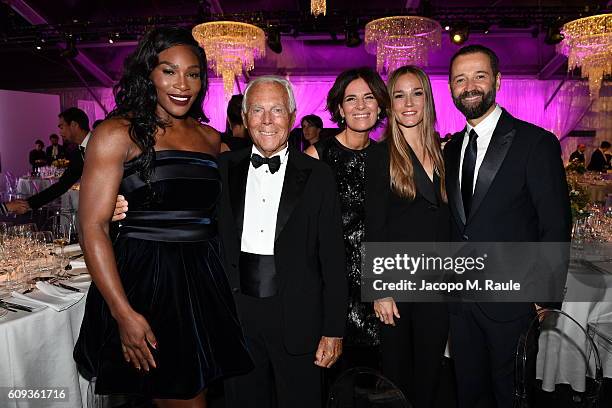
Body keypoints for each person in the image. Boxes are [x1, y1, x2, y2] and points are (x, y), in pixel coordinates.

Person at [73, 27, 253, 407]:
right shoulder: (116, 133)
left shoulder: (209, 138)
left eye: (193, 73)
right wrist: (123, 313)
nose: (182, 84)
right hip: (147, 283)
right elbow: (92, 226)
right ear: (148, 74)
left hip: (204, 282)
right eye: (169, 71)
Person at [443, 44, 571, 408]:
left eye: (479, 76)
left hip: (514, 303)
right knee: (468, 393)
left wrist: (545, 297)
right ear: (451, 88)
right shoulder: (451, 150)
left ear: (497, 81)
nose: (469, 86)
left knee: (512, 396)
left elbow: (556, 224)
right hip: (461, 304)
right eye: (460, 79)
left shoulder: (536, 142)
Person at [219, 76, 347, 408]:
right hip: (238, 316)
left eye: (277, 110)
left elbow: (333, 257)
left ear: (291, 116)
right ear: (245, 118)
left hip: (299, 316)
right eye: (257, 110)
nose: (267, 120)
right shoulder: (222, 169)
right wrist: (123, 207)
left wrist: (334, 330)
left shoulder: (318, 175)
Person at [365, 65, 451, 408]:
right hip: (396, 282)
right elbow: (375, 225)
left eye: (416, 93)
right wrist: (380, 288)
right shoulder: (379, 155)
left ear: (427, 99)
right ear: (390, 105)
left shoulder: (448, 154)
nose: (408, 102)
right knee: (396, 376)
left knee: (431, 372)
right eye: (399, 95)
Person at [305, 67, 388, 371]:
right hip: (330, 287)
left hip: (375, 289)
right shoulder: (317, 156)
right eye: (351, 99)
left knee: (372, 380)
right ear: (339, 108)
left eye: (368, 97)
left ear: (380, 104)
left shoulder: (386, 157)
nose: (361, 106)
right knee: (330, 381)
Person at [11, 107, 91, 214]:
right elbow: (62, 185)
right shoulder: (77, 153)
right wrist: (28, 204)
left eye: (61, 127)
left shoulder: (101, 142)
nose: (60, 132)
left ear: (74, 125)